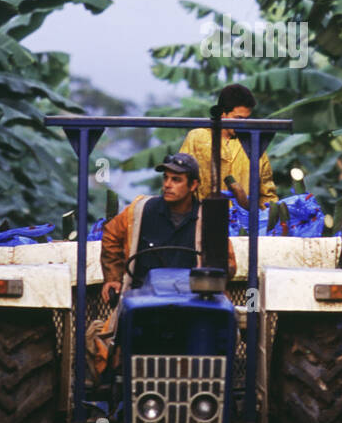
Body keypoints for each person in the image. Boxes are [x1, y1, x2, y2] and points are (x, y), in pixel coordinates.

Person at [87, 153, 236, 382]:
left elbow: (228, 264)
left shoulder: (207, 219)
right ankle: (116, 393)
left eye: (176, 180)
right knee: (106, 346)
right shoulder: (139, 211)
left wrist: (214, 278)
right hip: (143, 304)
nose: (167, 184)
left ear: (193, 185)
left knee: (219, 341)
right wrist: (113, 277)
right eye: (165, 178)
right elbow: (111, 235)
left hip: (193, 304)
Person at [179, 84, 279, 210]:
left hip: (243, 225)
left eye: (246, 119)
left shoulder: (253, 143)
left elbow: (267, 194)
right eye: (238, 118)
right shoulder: (197, 138)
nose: (242, 124)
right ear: (222, 113)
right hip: (203, 220)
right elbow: (181, 181)